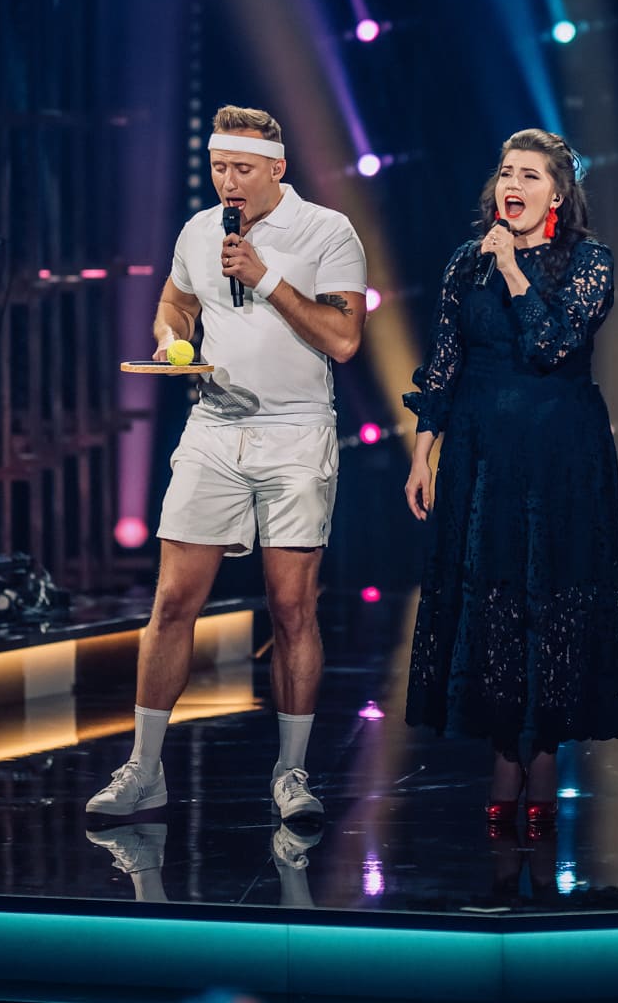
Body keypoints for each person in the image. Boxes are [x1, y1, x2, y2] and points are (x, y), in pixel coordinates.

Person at [87, 105, 367, 823]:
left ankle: (292, 773)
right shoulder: (198, 230)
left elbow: (343, 339)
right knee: (172, 601)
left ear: (277, 168)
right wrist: (170, 337)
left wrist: (266, 278)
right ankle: (144, 770)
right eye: (219, 168)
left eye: (242, 168)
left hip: (295, 432)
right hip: (214, 428)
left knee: (292, 607)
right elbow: (175, 303)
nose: (228, 182)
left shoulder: (328, 231)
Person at [402, 129, 618, 837]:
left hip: (561, 450)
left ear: (557, 193)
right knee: (492, 597)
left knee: (555, 598)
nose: (513, 184)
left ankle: (547, 751)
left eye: (529, 174)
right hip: (481, 449)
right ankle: (504, 753)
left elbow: (552, 343)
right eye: (505, 172)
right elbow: (444, 362)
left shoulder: (588, 261)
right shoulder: (465, 263)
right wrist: (423, 453)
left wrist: (514, 269)